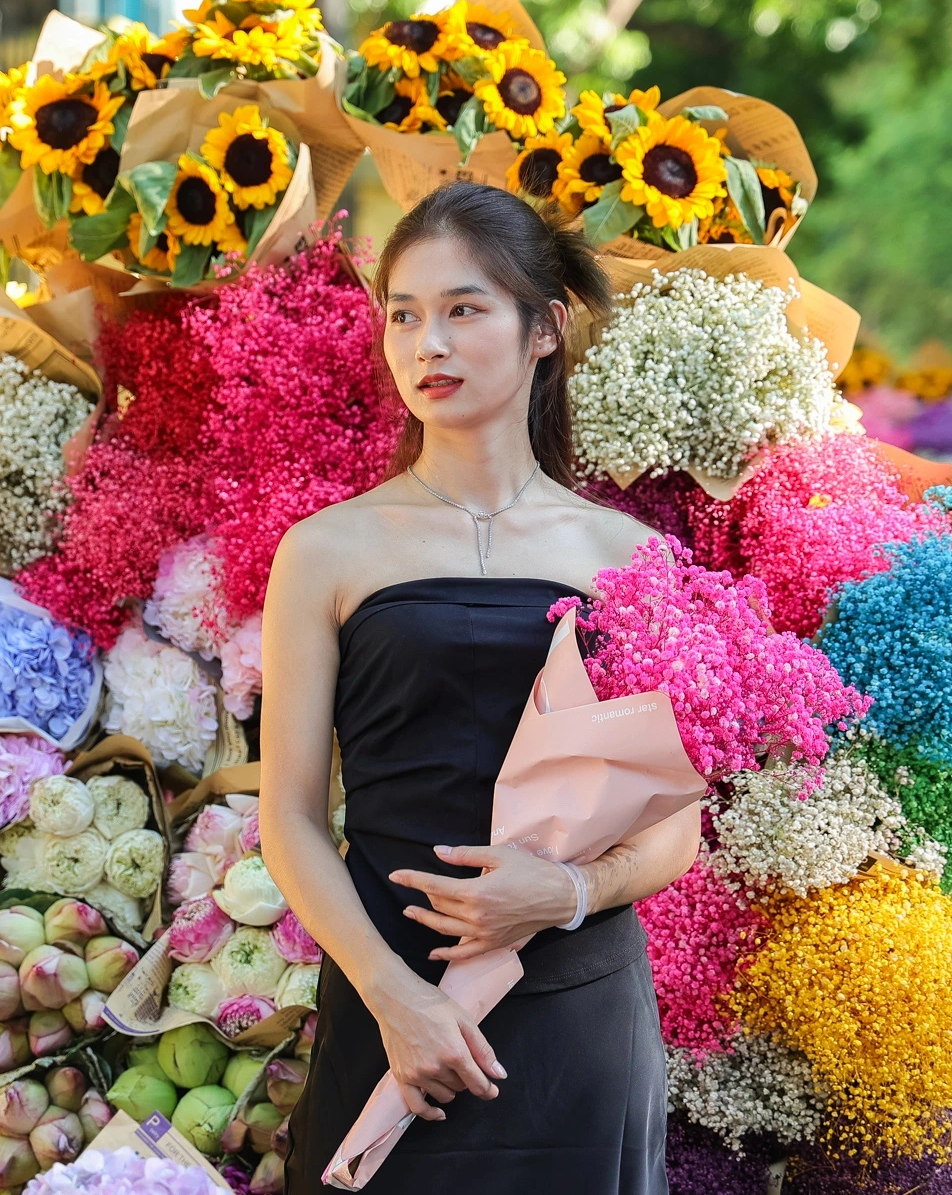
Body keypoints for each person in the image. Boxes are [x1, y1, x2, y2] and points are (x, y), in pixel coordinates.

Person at [261, 182, 699, 1194]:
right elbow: (288, 816)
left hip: (573, 1007)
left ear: (543, 328)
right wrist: (393, 999)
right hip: (393, 1011)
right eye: (405, 315)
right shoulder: (325, 550)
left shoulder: (630, 554)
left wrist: (569, 890)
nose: (429, 345)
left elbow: (677, 821)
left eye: (464, 309)